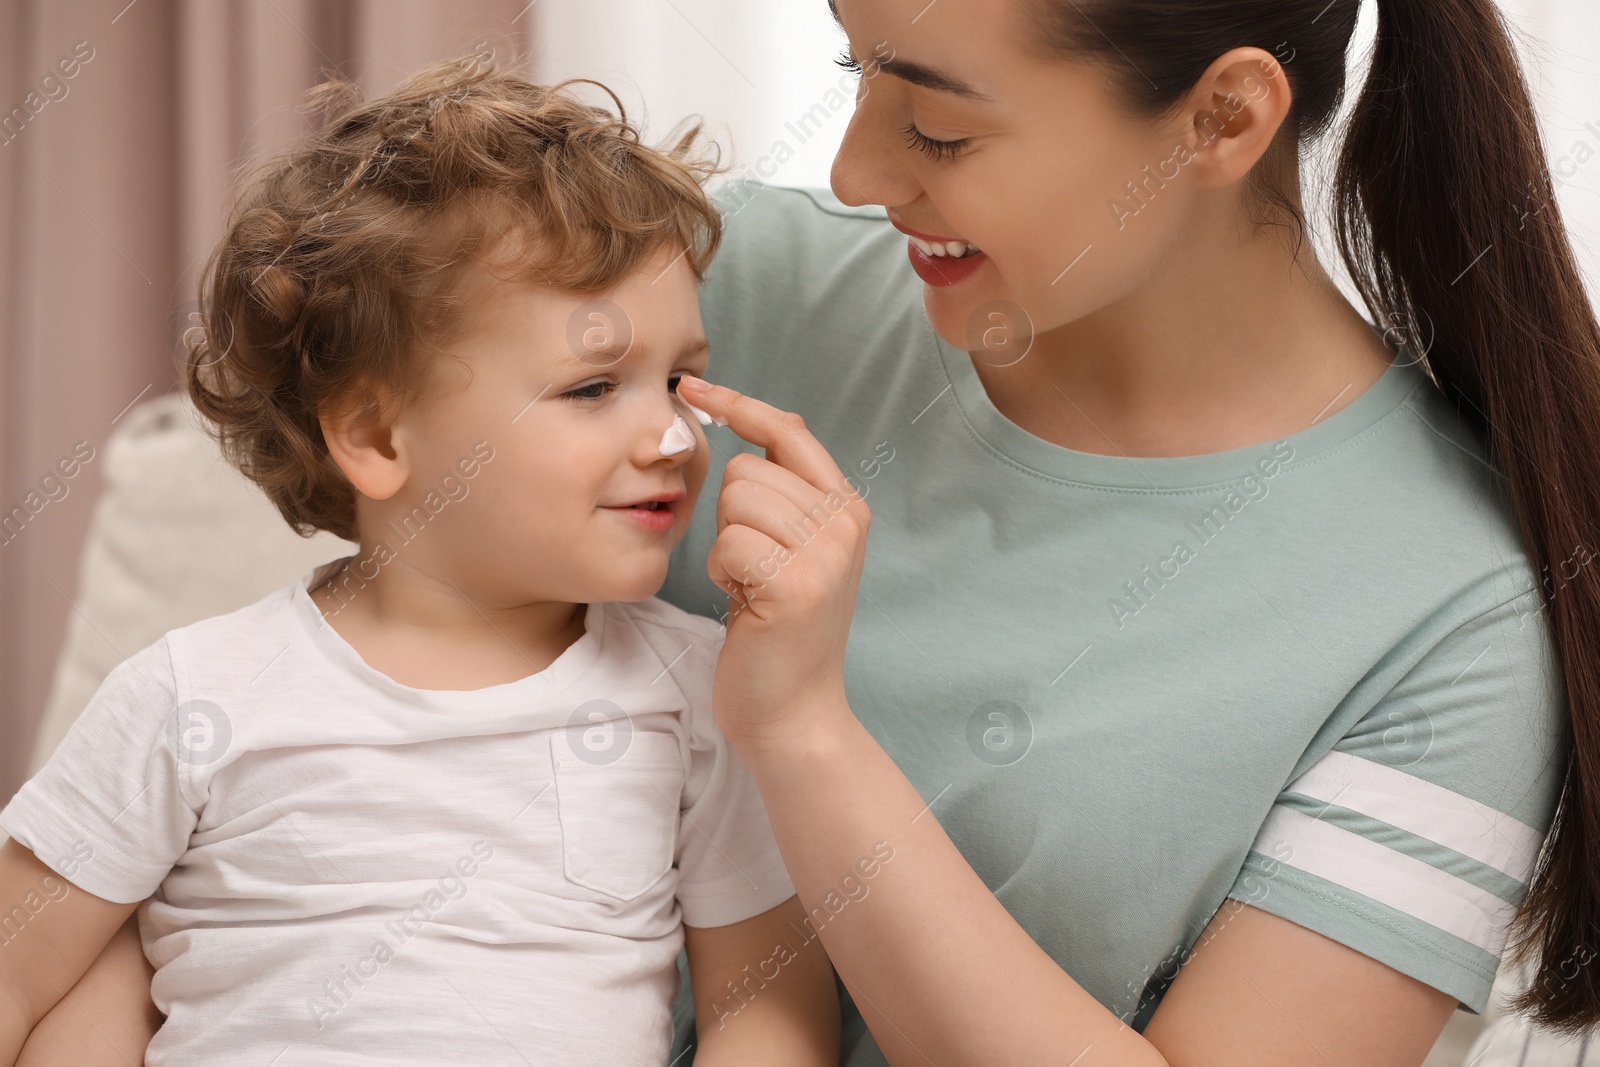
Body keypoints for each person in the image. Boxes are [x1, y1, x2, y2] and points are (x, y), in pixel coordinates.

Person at [16, 0, 1600, 1063]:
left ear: (1224, 115)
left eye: (942, 125)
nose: (853, 173)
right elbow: (247, 814)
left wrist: (801, 731)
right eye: (857, 72)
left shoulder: (1454, 610)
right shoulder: (697, 302)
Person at [0, 58, 839, 1067]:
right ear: (379, 438)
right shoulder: (189, 696)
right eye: (591, 387)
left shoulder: (703, 691)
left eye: (680, 379)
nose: (670, 437)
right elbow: (18, 966)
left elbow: (767, 1007)